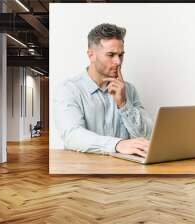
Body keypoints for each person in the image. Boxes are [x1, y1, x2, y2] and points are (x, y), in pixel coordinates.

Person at [54, 23, 153, 158]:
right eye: (111, 55)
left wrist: (123, 104)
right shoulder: (69, 89)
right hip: (86, 173)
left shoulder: (128, 90)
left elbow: (145, 136)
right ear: (91, 55)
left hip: (125, 172)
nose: (118, 61)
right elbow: (72, 136)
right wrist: (117, 144)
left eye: (121, 55)